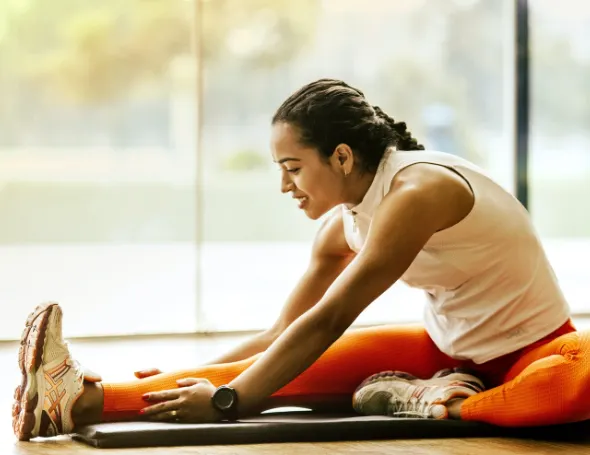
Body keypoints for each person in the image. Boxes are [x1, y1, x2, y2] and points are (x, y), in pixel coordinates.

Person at [12, 79, 589, 442]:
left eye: (292, 167)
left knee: (577, 383)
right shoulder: (345, 222)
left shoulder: (417, 194)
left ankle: (447, 403)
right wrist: (196, 378)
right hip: (443, 350)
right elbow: (283, 333)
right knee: (277, 368)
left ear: (341, 156)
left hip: (536, 350)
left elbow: (331, 317)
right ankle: (69, 400)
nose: (285, 185)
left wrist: (228, 401)